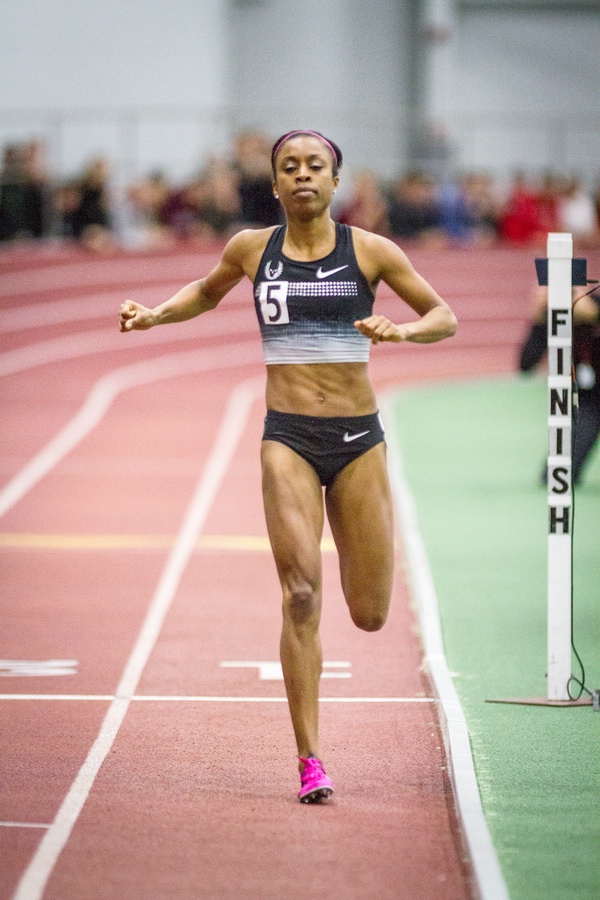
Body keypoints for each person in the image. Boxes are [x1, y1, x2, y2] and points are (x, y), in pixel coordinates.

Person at [119, 129, 457, 803]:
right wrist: (156, 315)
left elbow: (443, 316)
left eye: (316, 167)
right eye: (289, 167)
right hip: (288, 438)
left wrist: (403, 330)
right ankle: (310, 759)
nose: (303, 175)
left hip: (358, 439)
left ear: (336, 182)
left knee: (368, 613)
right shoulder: (251, 248)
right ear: (274, 184)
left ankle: (321, 722)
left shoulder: (372, 251)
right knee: (300, 594)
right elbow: (206, 290)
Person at [518, 284, 600, 485]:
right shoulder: (558, 318)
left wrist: (595, 315)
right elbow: (525, 365)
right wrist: (538, 321)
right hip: (589, 402)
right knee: (558, 477)